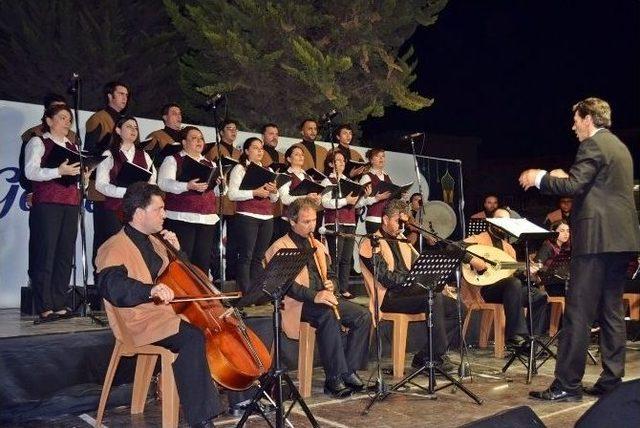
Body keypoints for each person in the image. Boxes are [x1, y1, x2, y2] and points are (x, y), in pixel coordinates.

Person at [520, 97, 640, 401]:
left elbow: (574, 188)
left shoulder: (593, 145)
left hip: (597, 240)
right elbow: (593, 187)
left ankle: (567, 385)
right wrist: (565, 177)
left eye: (576, 119)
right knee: (611, 309)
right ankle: (612, 381)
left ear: (588, 118)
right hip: (620, 240)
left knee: (577, 312)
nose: (573, 126)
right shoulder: (619, 148)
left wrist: (541, 178)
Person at [95, 182, 220, 427]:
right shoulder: (113, 246)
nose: (165, 214)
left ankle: (242, 397)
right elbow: (113, 287)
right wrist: (149, 290)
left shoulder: (157, 242)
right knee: (193, 337)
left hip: (165, 315)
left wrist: (177, 252)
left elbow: (184, 278)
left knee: (213, 328)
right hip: (139, 320)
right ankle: (201, 419)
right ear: (140, 213)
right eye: (160, 209)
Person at [265, 197, 371, 397]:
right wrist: (315, 295)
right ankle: (333, 378)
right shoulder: (280, 246)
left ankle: (349, 370)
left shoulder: (319, 244)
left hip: (322, 297)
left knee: (363, 316)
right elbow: (287, 286)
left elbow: (331, 275)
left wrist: (333, 284)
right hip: (297, 303)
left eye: (314, 220)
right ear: (292, 222)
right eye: (306, 222)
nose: (311, 225)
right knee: (327, 314)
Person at [359, 199, 457, 370]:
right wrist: (413, 280)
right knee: (433, 298)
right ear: (385, 219)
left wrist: (427, 279)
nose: (402, 227)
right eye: (399, 222)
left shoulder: (403, 241)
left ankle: (425, 355)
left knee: (458, 308)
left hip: (409, 293)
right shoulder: (370, 243)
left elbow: (418, 269)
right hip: (388, 298)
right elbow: (385, 278)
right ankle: (437, 356)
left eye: (405, 223)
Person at [24, 104, 88, 322]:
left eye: (69, 118)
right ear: (49, 121)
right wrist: (58, 171)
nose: (67, 122)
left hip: (70, 204)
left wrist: (84, 176)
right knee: (46, 252)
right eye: (62, 118)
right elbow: (30, 171)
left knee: (64, 254)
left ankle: (60, 303)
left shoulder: (73, 146)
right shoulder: (38, 141)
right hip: (47, 204)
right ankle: (44, 305)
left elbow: (76, 179)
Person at [462, 208, 548, 348]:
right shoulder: (478, 239)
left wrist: (526, 272)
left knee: (540, 296)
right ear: (491, 221)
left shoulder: (509, 248)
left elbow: (512, 273)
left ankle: (531, 345)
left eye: (507, 221)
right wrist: (473, 260)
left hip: (509, 290)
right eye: (500, 219)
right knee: (513, 283)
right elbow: (453, 248)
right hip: (485, 289)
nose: (504, 223)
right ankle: (515, 336)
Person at [158, 126, 221, 273]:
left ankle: (200, 294)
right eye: (194, 138)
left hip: (206, 219)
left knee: (202, 263)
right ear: (184, 142)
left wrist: (218, 185)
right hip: (181, 217)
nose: (199, 141)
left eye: (201, 138)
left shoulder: (210, 164)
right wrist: (187, 186)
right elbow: (163, 183)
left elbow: (216, 193)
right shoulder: (173, 159)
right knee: (182, 261)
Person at [95, 116, 156, 253]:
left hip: (139, 212)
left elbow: (152, 182)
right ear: (118, 130)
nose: (133, 130)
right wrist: (126, 191)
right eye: (129, 126)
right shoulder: (109, 154)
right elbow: (100, 185)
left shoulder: (144, 155)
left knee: (137, 251)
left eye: (136, 127)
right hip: (114, 210)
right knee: (115, 250)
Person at [86, 81, 130, 267]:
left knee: (124, 239)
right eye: (120, 94)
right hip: (103, 191)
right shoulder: (99, 118)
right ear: (109, 96)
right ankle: (100, 282)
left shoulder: (127, 121)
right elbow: (90, 152)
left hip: (123, 190)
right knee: (105, 239)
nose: (124, 98)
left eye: (127, 95)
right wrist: (106, 147)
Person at [227, 137, 279, 296]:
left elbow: (274, 199)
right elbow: (232, 194)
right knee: (246, 256)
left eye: (261, 148)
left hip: (266, 217)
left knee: (258, 257)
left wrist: (274, 191)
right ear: (247, 151)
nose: (259, 151)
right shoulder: (240, 168)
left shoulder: (268, 171)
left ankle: (258, 292)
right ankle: (246, 292)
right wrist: (254, 192)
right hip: (247, 215)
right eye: (255, 148)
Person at [321, 150, 369, 299]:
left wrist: (364, 197)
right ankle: (334, 288)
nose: (342, 163)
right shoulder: (327, 181)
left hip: (350, 222)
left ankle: (343, 288)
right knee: (336, 258)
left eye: (343, 160)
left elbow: (356, 204)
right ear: (330, 164)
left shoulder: (349, 182)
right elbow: (325, 202)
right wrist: (345, 201)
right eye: (338, 160)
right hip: (334, 222)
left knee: (346, 259)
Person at [205, 119, 242, 280]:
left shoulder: (240, 153)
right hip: (217, 202)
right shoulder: (214, 149)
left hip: (233, 203)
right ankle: (217, 275)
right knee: (214, 242)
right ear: (220, 132)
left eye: (235, 129)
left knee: (233, 243)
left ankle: (232, 277)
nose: (233, 132)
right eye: (229, 129)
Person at [277, 145, 322, 237]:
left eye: (302, 155)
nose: (301, 156)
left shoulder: (308, 177)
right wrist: (306, 197)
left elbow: (315, 201)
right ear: (289, 159)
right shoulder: (284, 175)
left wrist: (317, 199)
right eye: (297, 154)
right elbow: (285, 199)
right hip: (290, 220)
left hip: (306, 221)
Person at [359, 148, 393, 233]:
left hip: (387, 219)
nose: (381, 158)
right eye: (377, 156)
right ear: (371, 160)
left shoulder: (387, 177)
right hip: (374, 219)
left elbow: (391, 197)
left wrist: (401, 195)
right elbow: (358, 202)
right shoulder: (367, 177)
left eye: (383, 156)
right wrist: (376, 199)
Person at [534, 220, 571, 297]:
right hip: (550, 282)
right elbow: (537, 265)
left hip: (562, 280)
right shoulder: (547, 246)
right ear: (553, 232)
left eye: (568, 231)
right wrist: (549, 270)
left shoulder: (567, 247)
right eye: (562, 231)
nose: (566, 234)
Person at [144, 103, 184, 168]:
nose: (179, 116)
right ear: (165, 117)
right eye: (174, 114)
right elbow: (147, 162)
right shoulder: (155, 136)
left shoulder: (186, 136)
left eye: (179, 114)